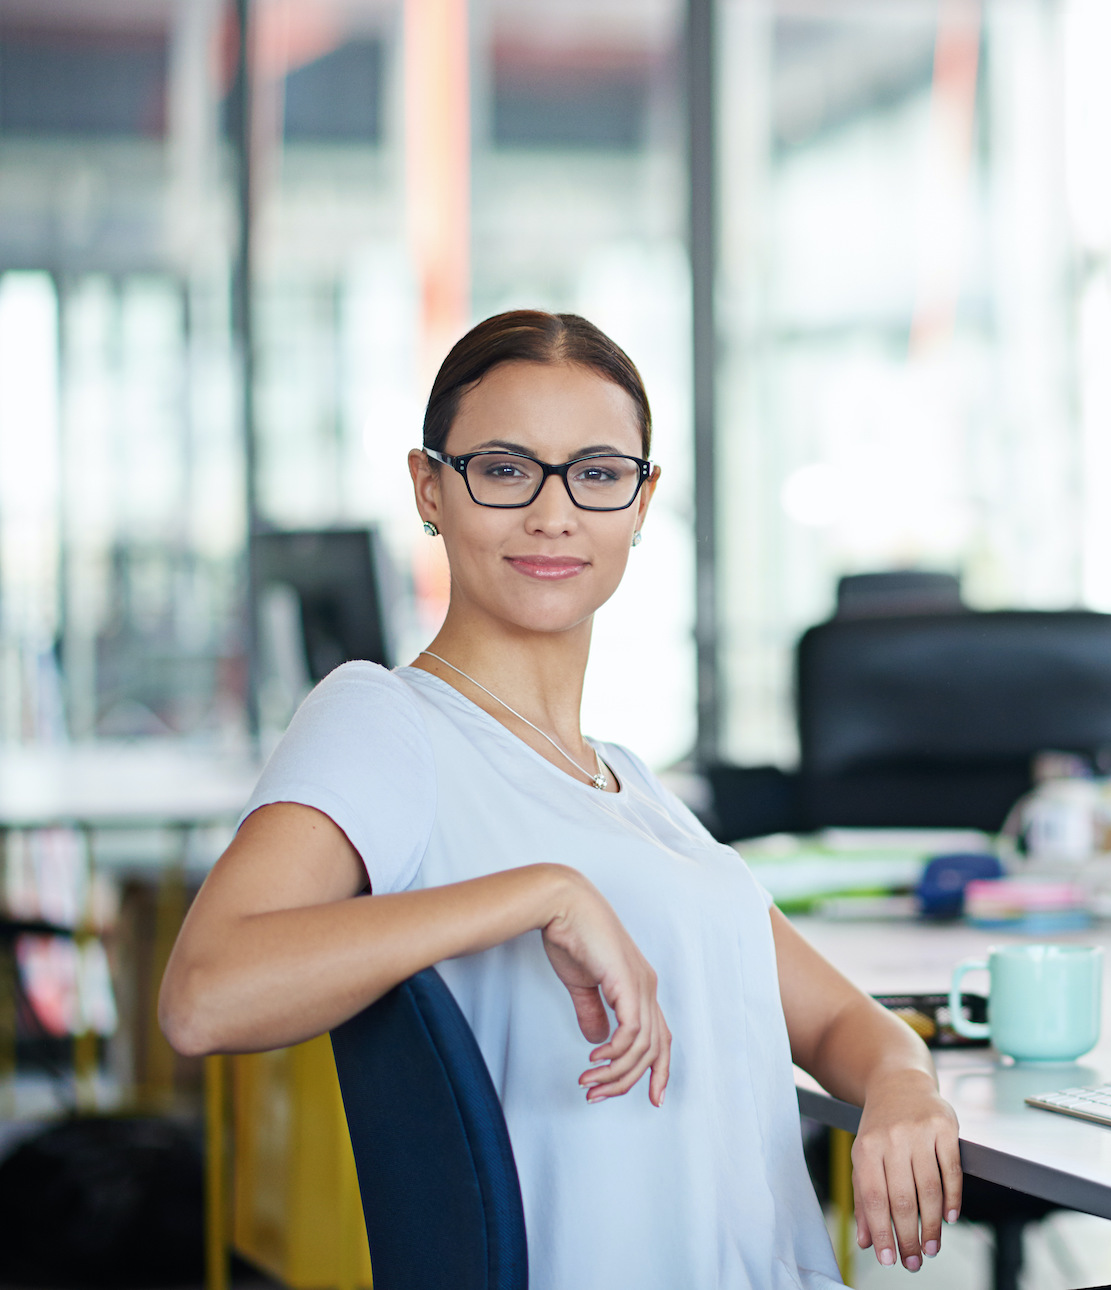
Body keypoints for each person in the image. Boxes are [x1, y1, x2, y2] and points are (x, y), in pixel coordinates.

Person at [160, 310, 960, 1288]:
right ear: (430, 489)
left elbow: (842, 1023)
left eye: (597, 473)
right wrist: (541, 892)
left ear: (641, 500)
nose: (553, 514)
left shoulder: (634, 787)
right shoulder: (386, 721)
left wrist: (904, 1084)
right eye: (503, 469)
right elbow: (205, 996)